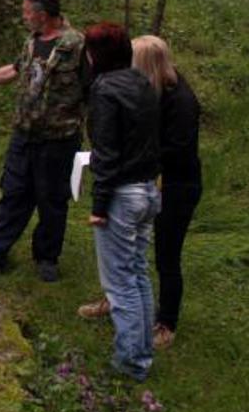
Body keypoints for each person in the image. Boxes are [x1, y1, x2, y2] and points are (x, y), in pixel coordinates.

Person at [0, 0, 89, 282]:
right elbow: (13, 71)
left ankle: (47, 259)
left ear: (42, 15)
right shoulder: (31, 42)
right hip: (24, 137)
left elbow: (92, 90)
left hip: (59, 141)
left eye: (27, 12)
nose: (23, 17)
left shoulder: (76, 45)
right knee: (12, 196)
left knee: (52, 200)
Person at [79, 36, 200, 350]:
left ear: (145, 63)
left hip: (177, 186)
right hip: (146, 181)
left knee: (166, 256)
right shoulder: (147, 91)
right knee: (126, 252)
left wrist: (136, 158)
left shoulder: (180, 99)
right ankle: (116, 300)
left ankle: (166, 323)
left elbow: (179, 150)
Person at [82, 22, 161, 381]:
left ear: (94, 56)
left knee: (120, 282)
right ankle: (142, 352)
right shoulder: (141, 82)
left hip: (122, 195)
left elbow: (107, 153)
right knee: (138, 275)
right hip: (147, 189)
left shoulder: (104, 90)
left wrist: (99, 207)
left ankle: (131, 362)